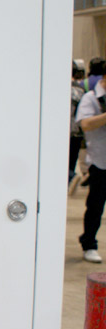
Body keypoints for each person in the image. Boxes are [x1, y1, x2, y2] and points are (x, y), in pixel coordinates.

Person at [75, 72, 106, 263]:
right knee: (95, 207)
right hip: (100, 162)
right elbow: (85, 124)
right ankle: (89, 244)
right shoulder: (91, 98)